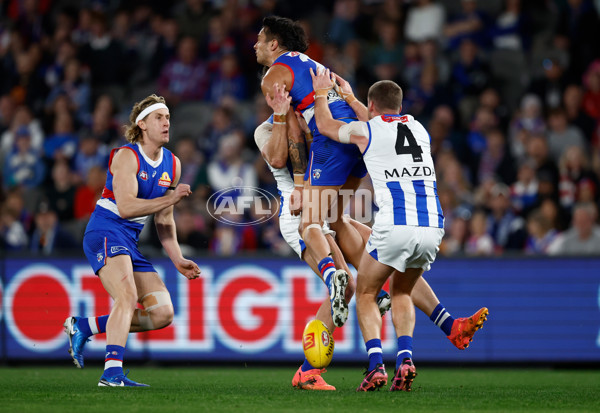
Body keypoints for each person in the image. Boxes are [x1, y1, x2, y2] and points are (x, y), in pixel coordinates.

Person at [258, 83, 488, 391]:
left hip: (332, 210)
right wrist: (282, 116)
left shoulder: (320, 114)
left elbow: (363, 130)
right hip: (301, 212)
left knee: (379, 273)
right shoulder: (270, 126)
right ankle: (310, 368)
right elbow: (277, 158)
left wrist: (339, 103)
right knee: (350, 284)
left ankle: (442, 326)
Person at [311, 68, 445, 392]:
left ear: (371, 106)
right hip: (433, 226)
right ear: (398, 105)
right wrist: (353, 98)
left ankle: (375, 366)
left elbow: (328, 126)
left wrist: (320, 92)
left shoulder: (365, 131)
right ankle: (406, 359)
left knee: (367, 292)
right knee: (401, 292)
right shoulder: (419, 129)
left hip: (395, 224)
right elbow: (379, 124)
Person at [63, 94, 201, 387]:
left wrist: (177, 258)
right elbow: (125, 207)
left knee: (162, 314)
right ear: (142, 124)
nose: (166, 123)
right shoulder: (126, 155)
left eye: (168, 118)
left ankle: (85, 326)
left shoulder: (172, 164)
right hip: (105, 230)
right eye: (159, 118)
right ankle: (111, 374)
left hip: (129, 240)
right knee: (126, 298)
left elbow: (164, 220)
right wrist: (173, 197)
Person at [254, 16, 370, 331]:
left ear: (274, 44)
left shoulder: (274, 77)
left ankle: (309, 369)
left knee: (315, 226)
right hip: (355, 137)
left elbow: (283, 153)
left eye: (260, 39)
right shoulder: (313, 67)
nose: (255, 44)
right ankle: (378, 286)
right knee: (339, 220)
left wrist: (303, 185)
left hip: (318, 169)